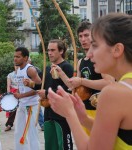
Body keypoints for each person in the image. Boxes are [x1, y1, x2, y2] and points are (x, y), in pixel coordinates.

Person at [48, 13, 132, 150]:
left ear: (117, 49)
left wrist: (70, 114)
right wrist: (84, 119)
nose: (90, 53)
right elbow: (119, 135)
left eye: (95, 45)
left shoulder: (114, 94)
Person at [37, 39, 74, 150]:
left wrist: (47, 93)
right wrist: (31, 84)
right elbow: (42, 85)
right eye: (48, 50)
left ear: (61, 51)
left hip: (61, 113)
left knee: (63, 145)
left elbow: (69, 88)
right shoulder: (48, 68)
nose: (49, 53)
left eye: (53, 50)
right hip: (48, 112)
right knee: (50, 144)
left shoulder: (67, 67)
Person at [13, 47, 41, 150]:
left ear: (25, 58)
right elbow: (21, 87)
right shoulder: (18, 69)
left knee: (31, 133)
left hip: (31, 105)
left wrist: (21, 96)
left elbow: (39, 88)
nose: (15, 59)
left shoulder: (30, 70)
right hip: (22, 104)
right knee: (18, 131)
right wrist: (18, 94)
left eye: (18, 57)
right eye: (14, 56)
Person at [27, 57, 44, 131]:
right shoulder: (20, 69)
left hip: (35, 92)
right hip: (27, 94)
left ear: (29, 61)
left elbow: (39, 82)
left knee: (38, 108)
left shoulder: (35, 69)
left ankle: (42, 124)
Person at [4, 65, 18, 131]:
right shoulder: (10, 75)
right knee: (13, 109)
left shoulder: (24, 73)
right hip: (13, 92)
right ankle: (9, 124)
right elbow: (8, 86)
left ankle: (41, 124)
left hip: (23, 92)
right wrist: (9, 95)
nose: (17, 67)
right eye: (16, 66)